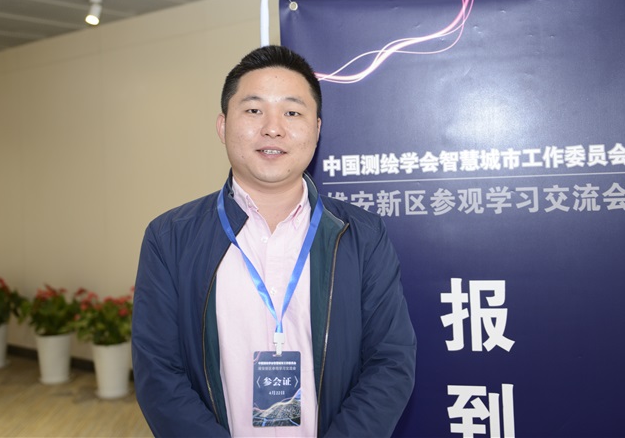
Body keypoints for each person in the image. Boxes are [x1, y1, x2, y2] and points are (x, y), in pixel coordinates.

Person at [132, 45, 416, 437]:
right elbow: (158, 372)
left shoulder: (362, 235)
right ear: (222, 126)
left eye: (292, 112)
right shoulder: (170, 238)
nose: (273, 128)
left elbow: (391, 361)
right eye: (253, 110)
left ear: (316, 128)